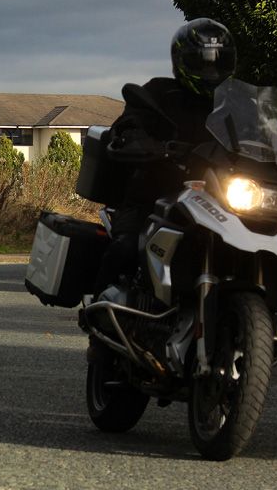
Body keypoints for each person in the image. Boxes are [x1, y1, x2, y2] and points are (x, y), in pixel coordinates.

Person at [94, 18, 237, 295]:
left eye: (219, 60)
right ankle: (103, 313)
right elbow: (128, 124)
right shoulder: (159, 93)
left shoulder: (234, 104)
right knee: (125, 247)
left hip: (220, 201)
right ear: (181, 61)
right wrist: (134, 139)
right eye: (202, 61)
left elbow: (261, 137)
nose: (211, 68)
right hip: (155, 194)